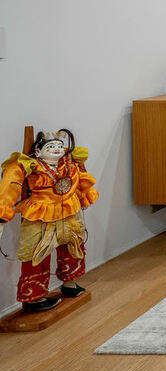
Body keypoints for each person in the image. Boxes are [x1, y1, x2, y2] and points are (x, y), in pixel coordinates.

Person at [0, 129, 97, 312]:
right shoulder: (29, 166)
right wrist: (3, 213)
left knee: (73, 247)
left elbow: (81, 180)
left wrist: (85, 197)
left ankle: (70, 283)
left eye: (59, 146)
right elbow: (11, 184)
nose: (56, 149)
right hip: (40, 214)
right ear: (38, 152)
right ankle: (34, 297)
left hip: (68, 210)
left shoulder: (69, 164)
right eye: (50, 146)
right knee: (37, 254)